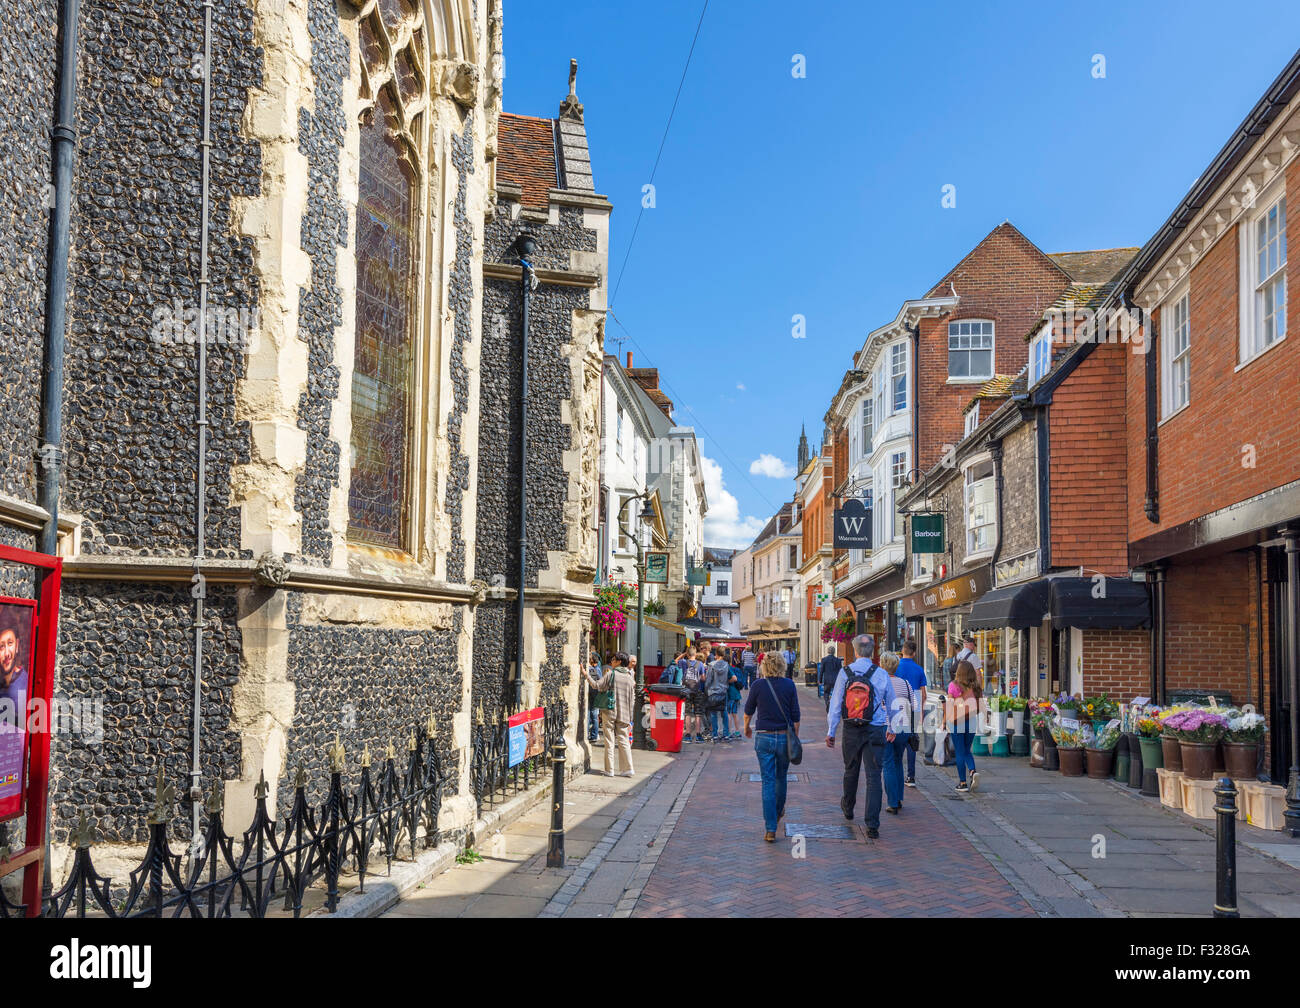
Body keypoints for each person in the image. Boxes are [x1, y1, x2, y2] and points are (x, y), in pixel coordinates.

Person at [825, 634, 895, 839]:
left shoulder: (845, 672)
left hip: (851, 729)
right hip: (875, 728)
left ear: (855, 651)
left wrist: (831, 731)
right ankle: (872, 824)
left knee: (850, 770)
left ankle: (848, 807)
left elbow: (836, 703)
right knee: (874, 776)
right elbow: (892, 703)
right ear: (873, 652)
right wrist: (893, 727)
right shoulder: (881, 674)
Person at [743, 652, 801, 842]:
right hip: (784, 737)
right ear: (783, 665)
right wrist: (795, 737)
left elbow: (748, 710)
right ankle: (776, 813)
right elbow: (796, 716)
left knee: (767, 781)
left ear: (764, 667)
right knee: (780, 777)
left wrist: (746, 728)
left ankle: (770, 829)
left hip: (764, 738)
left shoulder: (758, 685)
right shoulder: (789, 685)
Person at [583, 651, 636, 777]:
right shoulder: (630, 678)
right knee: (623, 741)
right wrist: (630, 718)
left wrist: (586, 675)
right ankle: (628, 769)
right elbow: (631, 700)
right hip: (624, 713)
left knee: (609, 740)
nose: (611, 661)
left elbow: (596, 685)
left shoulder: (611, 674)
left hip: (609, 711)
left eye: (613, 659)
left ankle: (609, 769)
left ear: (618, 662)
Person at [879, 652, 914, 815]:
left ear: (882, 665)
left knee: (888, 764)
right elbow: (913, 706)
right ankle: (899, 798)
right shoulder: (905, 683)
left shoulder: (879, 683)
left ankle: (892, 802)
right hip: (903, 727)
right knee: (898, 761)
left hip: (886, 727)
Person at [895, 639, 927, 788]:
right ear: (914, 653)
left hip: (898, 707)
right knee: (911, 741)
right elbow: (924, 694)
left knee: (897, 739)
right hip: (913, 707)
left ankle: (897, 772)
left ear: (903, 650)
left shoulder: (896, 667)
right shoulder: (919, 669)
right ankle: (911, 776)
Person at [947, 659, 982, 792]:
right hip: (972, 721)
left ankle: (962, 783)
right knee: (967, 750)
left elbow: (950, 705)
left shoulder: (953, 685)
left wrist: (945, 721)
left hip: (957, 722)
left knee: (960, 752)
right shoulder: (976, 687)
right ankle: (973, 772)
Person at [704, 647, 733, 744]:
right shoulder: (726, 665)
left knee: (713, 714)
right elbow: (731, 678)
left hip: (713, 691)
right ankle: (726, 734)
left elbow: (708, 680)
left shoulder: (711, 665)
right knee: (724, 712)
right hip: (723, 692)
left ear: (716, 653)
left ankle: (715, 735)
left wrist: (706, 689)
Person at [817, 646, 842, 712]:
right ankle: (833, 705)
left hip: (827, 680)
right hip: (836, 680)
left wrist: (820, 680)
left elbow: (821, 671)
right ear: (834, 652)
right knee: (836, 694)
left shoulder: (824, 660)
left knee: (826, 693)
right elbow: (840, 672)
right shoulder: (838, 660)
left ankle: (827, 702)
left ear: (828, 651)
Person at [727, 652, 745, 739]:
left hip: (730, 693)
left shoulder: (728, 669)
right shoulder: (736, 669)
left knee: (728, 713)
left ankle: (729, 732)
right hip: (737, 693)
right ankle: (737, 732)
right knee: (735, 713)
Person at [585, 651, 603, 743]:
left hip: (593, 693)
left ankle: (593, 734)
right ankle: (593, 734)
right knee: (593, 714)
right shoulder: (597, 669)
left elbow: (599, 681)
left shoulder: (594, 669)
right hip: (595, 693)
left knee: (592, 714)